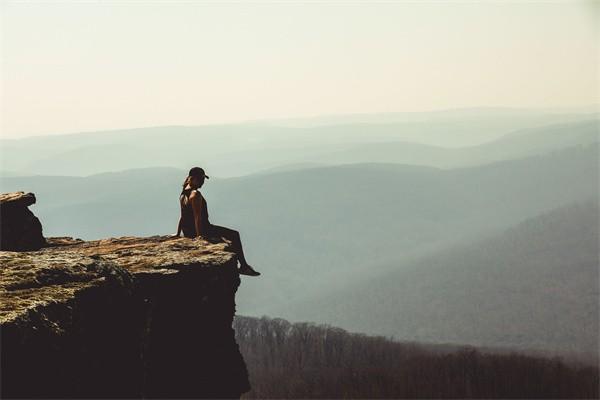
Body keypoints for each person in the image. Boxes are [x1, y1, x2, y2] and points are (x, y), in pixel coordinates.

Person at [173, 167, 260, 277]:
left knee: (228, 238)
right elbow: (197, 217)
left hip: (188, 232)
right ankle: (244, 266)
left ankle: (244, 266)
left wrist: (178, 233)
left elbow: (183, 216)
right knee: (234, 235)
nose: (203, 182)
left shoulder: (183, 193)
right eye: (201, 179)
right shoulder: (195, 195)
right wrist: (200, 236)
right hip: (204, 229)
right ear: (193, 178)